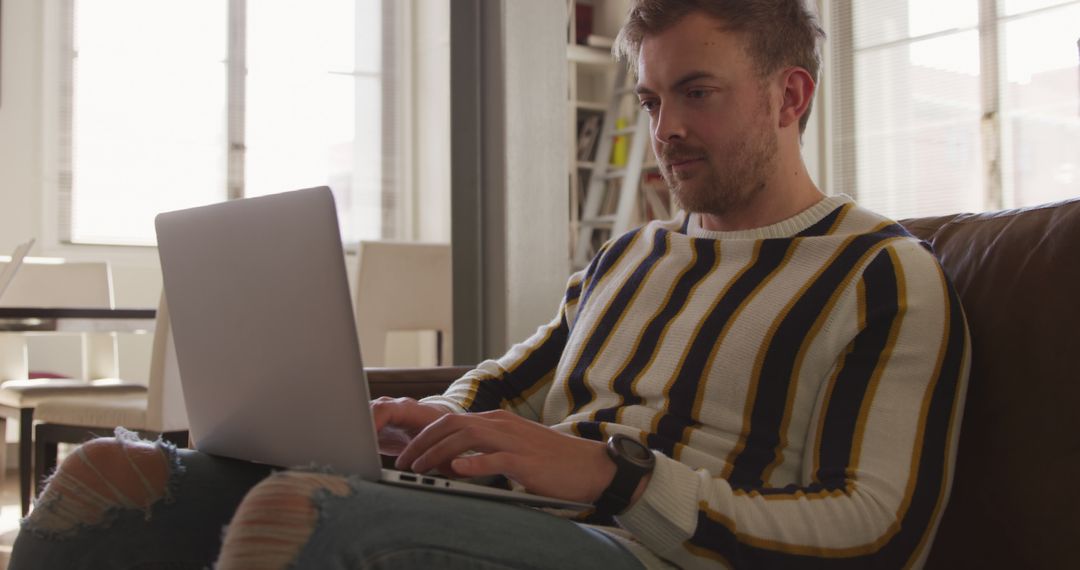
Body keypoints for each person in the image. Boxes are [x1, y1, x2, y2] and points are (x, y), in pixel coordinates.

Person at [11, 1, 970, 568]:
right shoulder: (627, 259)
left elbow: (878, 533)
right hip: (539, 518)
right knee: (105, 474)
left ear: (789, 97)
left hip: (648, 553)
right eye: (650, 97)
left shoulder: (880, 276)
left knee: (295, 517)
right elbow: (498, 390)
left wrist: (615, 475)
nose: (665, 126)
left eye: (698, 92)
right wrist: (418, 425)